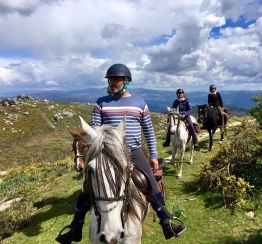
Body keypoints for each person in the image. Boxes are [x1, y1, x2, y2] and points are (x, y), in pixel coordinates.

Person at [55, 64, 187, 244]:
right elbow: (95, 127)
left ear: (126, 81)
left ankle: (166, 221)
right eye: (110, 79)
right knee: (88, 186)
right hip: (108, 152)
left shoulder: (140, 103)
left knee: (149, 181)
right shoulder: (100, 102)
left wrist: (154, 156)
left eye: (117, 79)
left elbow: (148, 131)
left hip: (133, 150)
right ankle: (75, 227)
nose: (113, 82)